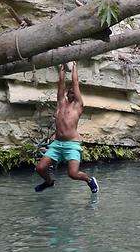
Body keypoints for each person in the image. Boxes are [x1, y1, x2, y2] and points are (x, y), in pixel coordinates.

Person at [34, 62, 98, 194]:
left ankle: (90, 180)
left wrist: (74, 64)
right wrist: (62, 66)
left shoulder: (78, 106)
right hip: (57, 144)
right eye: (70, 92)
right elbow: (61, 84)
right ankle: (49, 182)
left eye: (75, 93)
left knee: (73, 174)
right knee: (40, 168)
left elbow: (75, 82)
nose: (72, 94)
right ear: (67, 94)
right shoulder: (61, 104)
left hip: (71, 145)